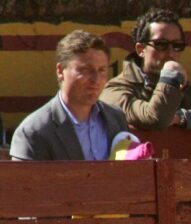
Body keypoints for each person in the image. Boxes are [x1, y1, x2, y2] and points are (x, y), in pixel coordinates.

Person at [100, 8, 191, 133]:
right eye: (161, 44)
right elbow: (156, 118)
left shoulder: (179, 88)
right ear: (141, 50)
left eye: (177, 45)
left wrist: (182, 117)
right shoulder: (116, 89)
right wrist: (170, 74)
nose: (170, 53)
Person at [10, 31, 128, 162]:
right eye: (86, 70)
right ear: (60, 71)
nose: (96, 79)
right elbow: (25, 181)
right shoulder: (34, 131)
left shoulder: (116, 119)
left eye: (102, 70)